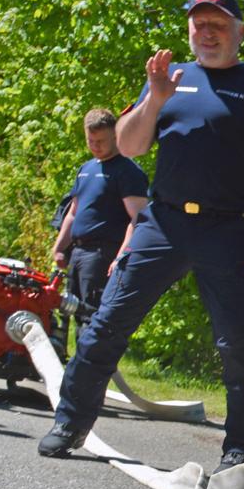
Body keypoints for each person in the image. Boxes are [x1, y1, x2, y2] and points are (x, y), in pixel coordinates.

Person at [38, 0, 244, 471]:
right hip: (163, 223)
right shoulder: (169, 78)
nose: (207, 32)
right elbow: (130, 145)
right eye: (199, 23)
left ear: (238, 31)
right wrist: (155, 99)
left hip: (228, 231)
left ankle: (241, 451)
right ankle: (69, 423)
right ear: (189, 29)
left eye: (218, 23)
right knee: (106, 325)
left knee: (236, 343)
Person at [49, 108, 149, 346]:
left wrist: (122, 256)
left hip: (102, 254)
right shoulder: (86, 169)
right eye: (90, 141)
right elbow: (73, 212)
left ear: (115, 136)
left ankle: (89, 366)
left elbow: (139, 218)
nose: (95, 146)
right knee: (68, 308)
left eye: (101, 141)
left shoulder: (127, 171)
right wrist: (60, 247)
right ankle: (68, 362)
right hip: (78, 251)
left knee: (91, 313)